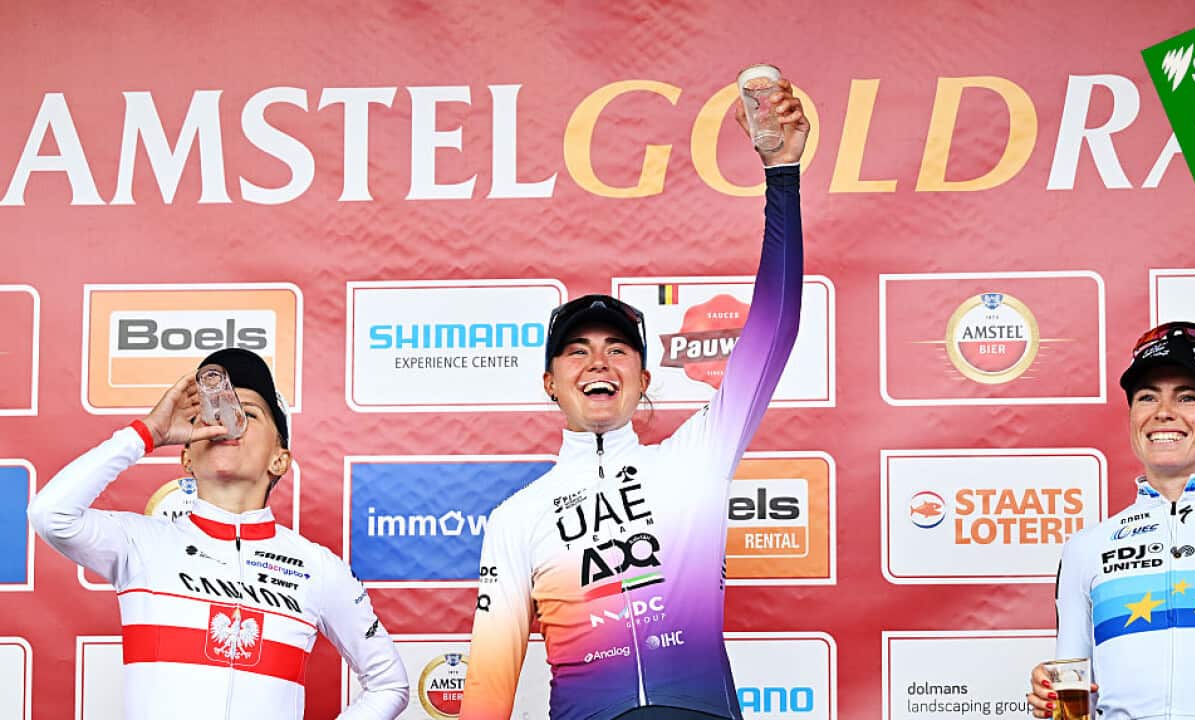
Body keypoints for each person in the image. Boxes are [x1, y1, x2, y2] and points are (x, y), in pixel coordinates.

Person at [459, 77, 808, 720]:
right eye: (577, 351)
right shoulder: (516, 518)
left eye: (617, 349)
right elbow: (485, 691)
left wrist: (781, 174)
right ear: (550, 384)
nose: (598, 362)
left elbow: (775, 329)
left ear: (643, 380)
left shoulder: (694, 459)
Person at [28, 348, 409, 719]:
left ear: (280, 459)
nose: (226, 423)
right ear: (186, 457)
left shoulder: (318, 567)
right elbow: (50, 514)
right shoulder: (140, 544)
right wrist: (147, 434)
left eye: (248, 414)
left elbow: (389, 685)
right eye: (210, 416)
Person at [1028, 321, 1195, 719]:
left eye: (1188, 397)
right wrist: (1049, 700)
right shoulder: (1086, 548)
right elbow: (1072, 698)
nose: (1163, 413)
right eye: (1147, 397)